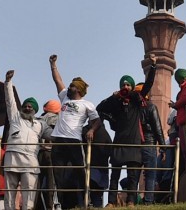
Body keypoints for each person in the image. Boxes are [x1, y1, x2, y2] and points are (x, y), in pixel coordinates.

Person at [96, 60, 156, 203]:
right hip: (119, 142)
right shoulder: (116, 102)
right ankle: (111, 202)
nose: (125, 87)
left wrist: (153, 67)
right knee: (114, 175)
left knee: (133, 176)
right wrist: (114, 97)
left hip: (134, 143)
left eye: (128, 85)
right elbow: (100, 108)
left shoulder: (136, 100)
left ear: (133, 87)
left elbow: (147, 86)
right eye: (123, 85)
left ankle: (130, 202)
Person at [48, 54, 101, 210]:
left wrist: (91, 129)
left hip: (74, 140)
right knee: (58, 174)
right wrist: (53, 65)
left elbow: (97, 121)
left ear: (78, 89)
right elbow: (57, 81)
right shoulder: (65, 97)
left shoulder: (87, 104)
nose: (68, 87)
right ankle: (61, 204)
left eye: (72, 86)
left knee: (80, 172)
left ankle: (87, 201)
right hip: (58, 139)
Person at [3, 70, 43, 210]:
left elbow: (51, 135)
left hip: (30, 161)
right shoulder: (15, 117)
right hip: (12, 157)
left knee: (29, 194)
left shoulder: (39, 124)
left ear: (34, 110)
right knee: (9, 193)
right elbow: (10, 101)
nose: (27, 107)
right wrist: (8, 82)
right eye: (25, 106)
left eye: (30, 106)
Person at [136, 83, 164, 205]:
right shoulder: (150, 107)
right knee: (150, 173)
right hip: (149, 143)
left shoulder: (132, 108)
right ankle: (148, 200)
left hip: (135, 145)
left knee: (134, 174)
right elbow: (157, 128)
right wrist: (163, 147)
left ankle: (132, 200)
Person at [34, 99, 61, 210]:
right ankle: (52, 206)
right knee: (52, 182)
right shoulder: (58, 119)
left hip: (38, 153)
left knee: (37, 182)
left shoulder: (37, 119)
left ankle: (35, 206)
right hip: (51, 153)